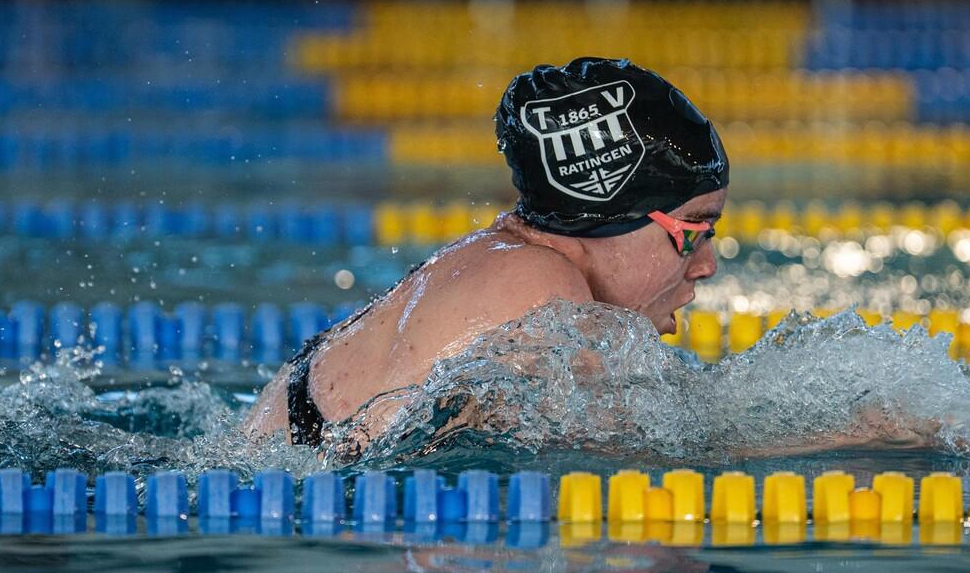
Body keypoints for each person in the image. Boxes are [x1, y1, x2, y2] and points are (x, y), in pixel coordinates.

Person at [243, 56, 728, 446]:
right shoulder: (542, 288)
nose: (706, 265)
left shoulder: (486, 258)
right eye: (694, 230)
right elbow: (678, 445)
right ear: (615, 214)